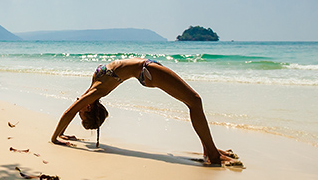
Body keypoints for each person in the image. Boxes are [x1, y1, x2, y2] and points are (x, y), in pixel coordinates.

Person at [50, 57, 238, 166]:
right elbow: (69, 113)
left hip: (147, 68)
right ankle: (213, 155)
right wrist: (54, 138)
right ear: (89, 107)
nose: (77, 110)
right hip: (146, 72)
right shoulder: (95, 93)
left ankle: (208, 149)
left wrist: (61, 134)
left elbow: (70, 113)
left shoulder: (92, 91)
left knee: (194, 102)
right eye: (80, 114)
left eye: (79, 115)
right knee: (195, 101)